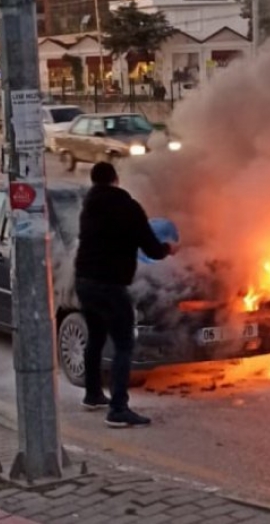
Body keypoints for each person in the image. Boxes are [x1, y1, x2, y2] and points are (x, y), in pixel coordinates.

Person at [74, 162, 178, 428]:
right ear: (116, 180)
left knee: (95, 338)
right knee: (124, 344)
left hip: (84, 282)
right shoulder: (128, 208)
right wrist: (168, 248)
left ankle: (93, 394)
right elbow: (152, 249)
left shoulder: (88, 207)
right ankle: (118, 408)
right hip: (110, 285)